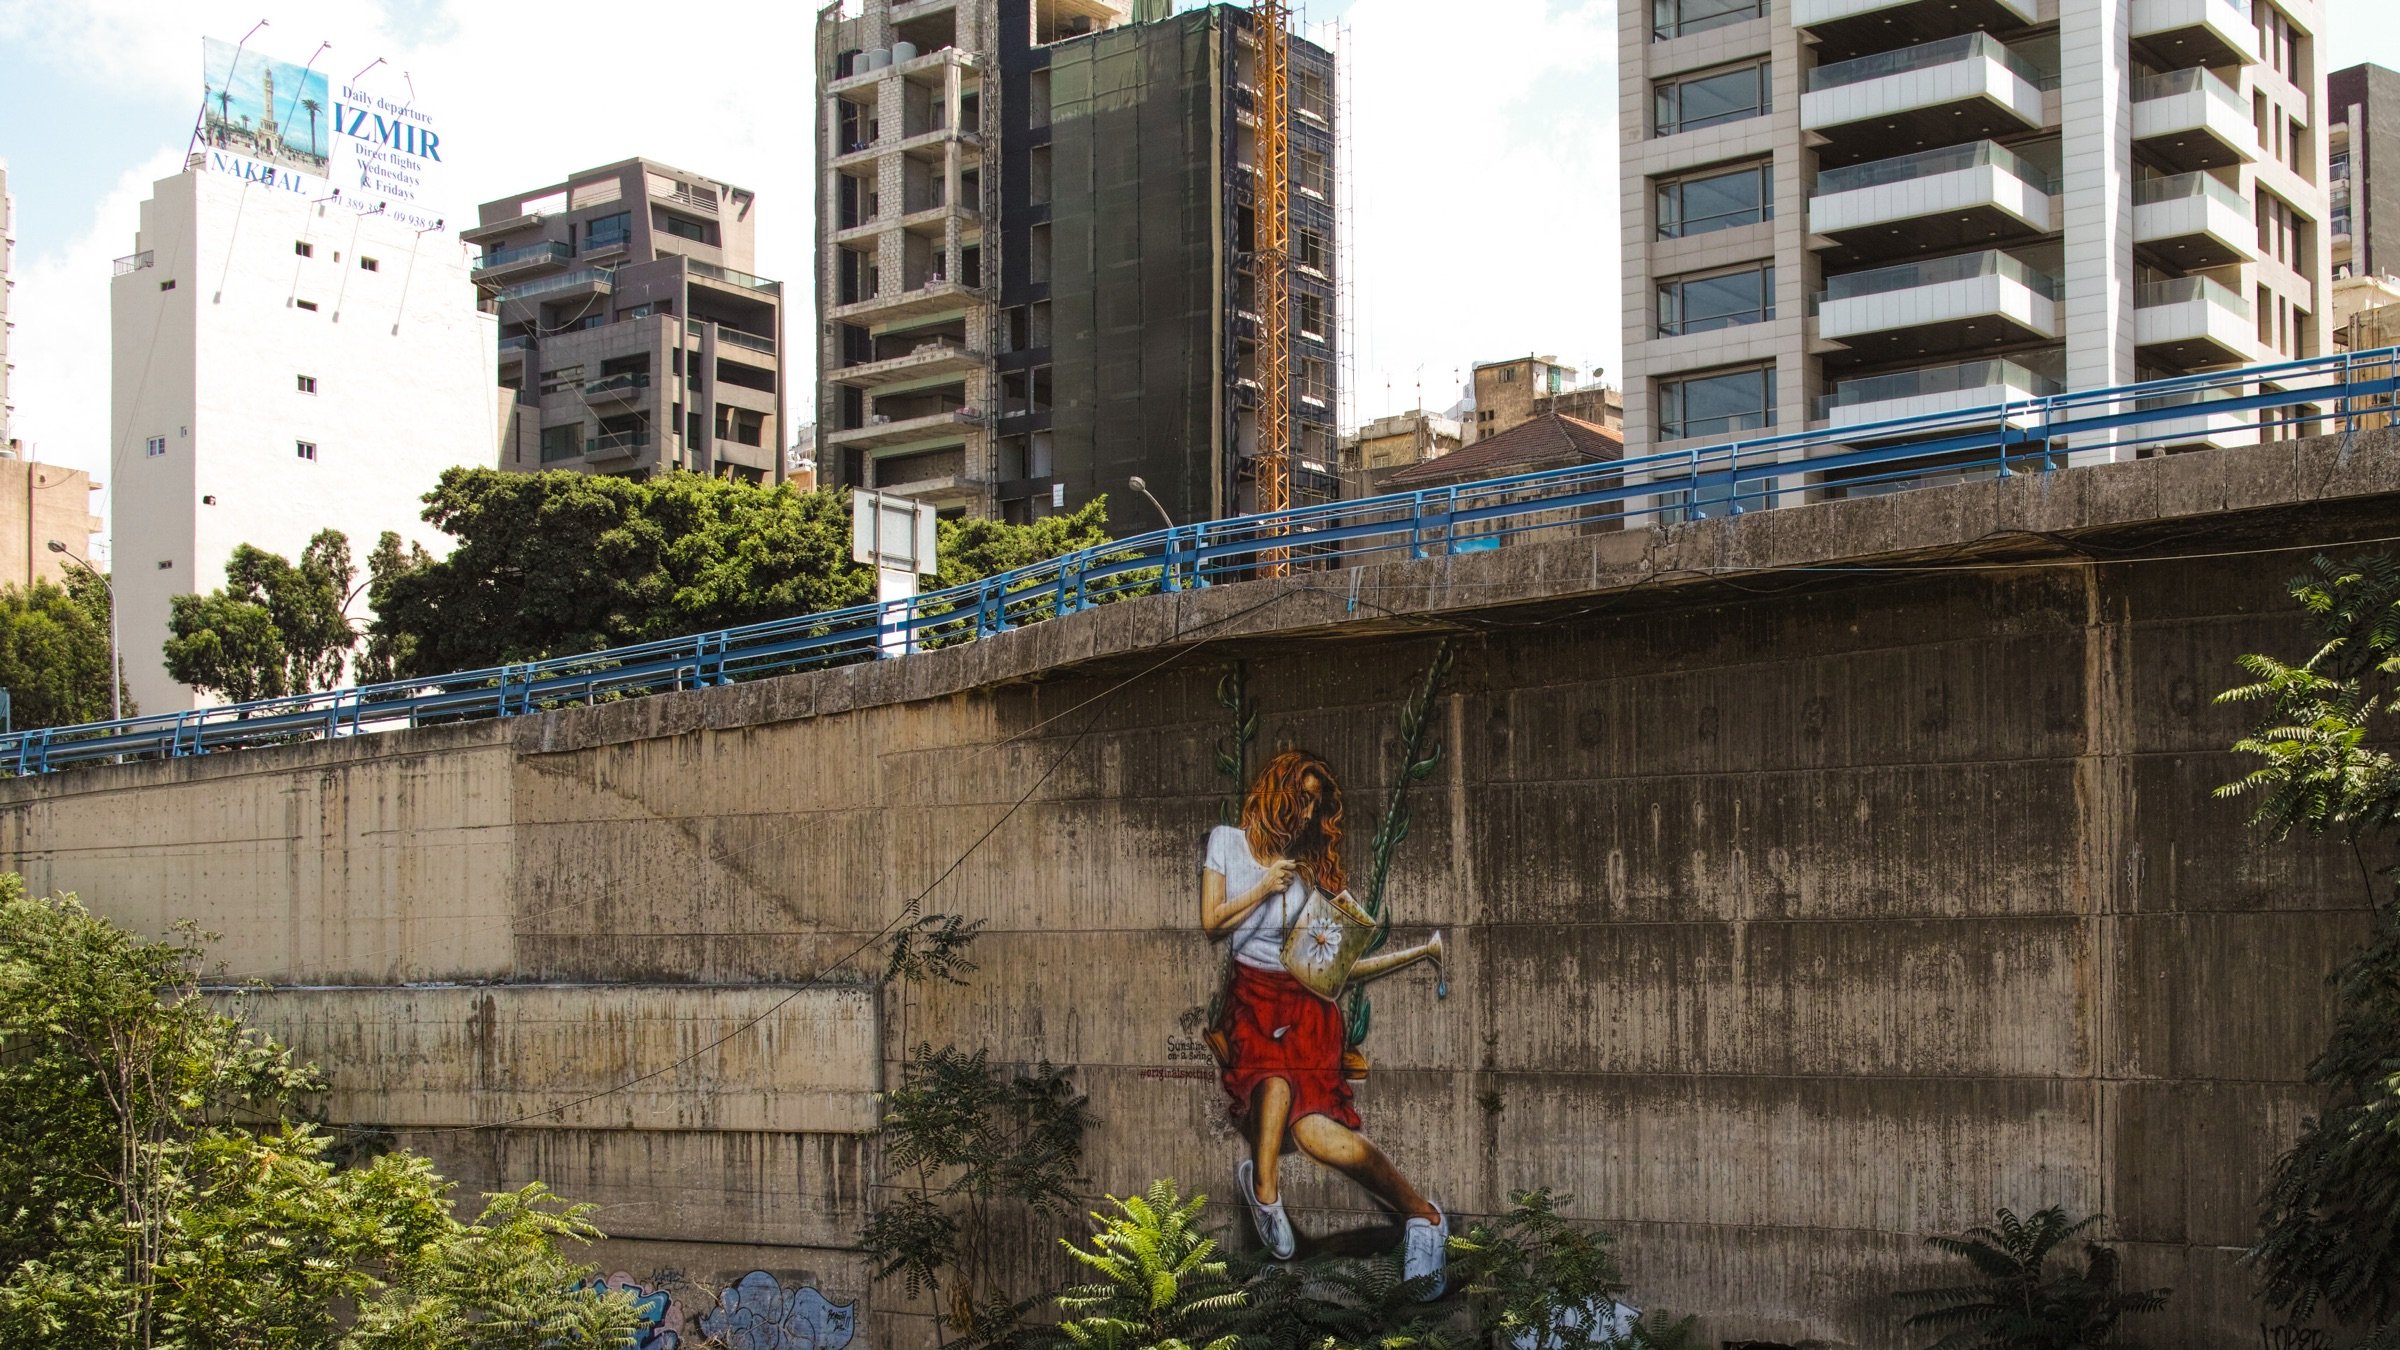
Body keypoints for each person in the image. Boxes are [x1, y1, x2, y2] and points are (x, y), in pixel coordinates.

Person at [1200, 749, 1448, 1295]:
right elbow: (1212, 922)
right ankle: (1265, 1188)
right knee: (1274, 1078)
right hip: (1251, 999)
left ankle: (1423, 1218)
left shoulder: (1307, 877)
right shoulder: (1226, 842)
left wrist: (1407, 954)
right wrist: (1265, 886)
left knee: (1315, 1135)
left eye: (1316, 804)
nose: (1309, 813)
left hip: (1306, 1005)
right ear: (1277, 790)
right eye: (1303, 798)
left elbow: (1327, 969)